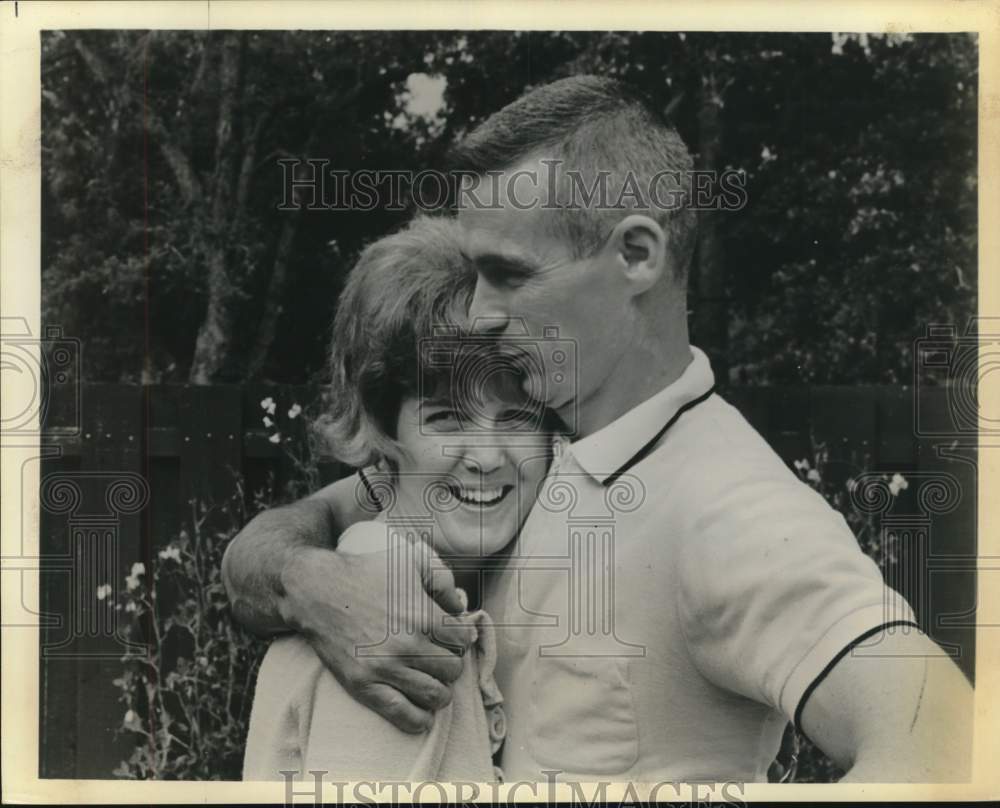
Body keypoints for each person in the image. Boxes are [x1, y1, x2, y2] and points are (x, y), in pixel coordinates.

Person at [223, 76, 973, 782]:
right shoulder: (536, 440)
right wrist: (309, 582)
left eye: (509, 274)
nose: (480, 312)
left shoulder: (728, 506)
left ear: (636, 256)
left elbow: (948, 744)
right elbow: (286, 534)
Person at [242, 217, 550, 781]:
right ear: (383, 433)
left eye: (517, 416)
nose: (487, 456)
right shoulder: (386, 624)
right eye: (446, 417)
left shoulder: (424, 573)